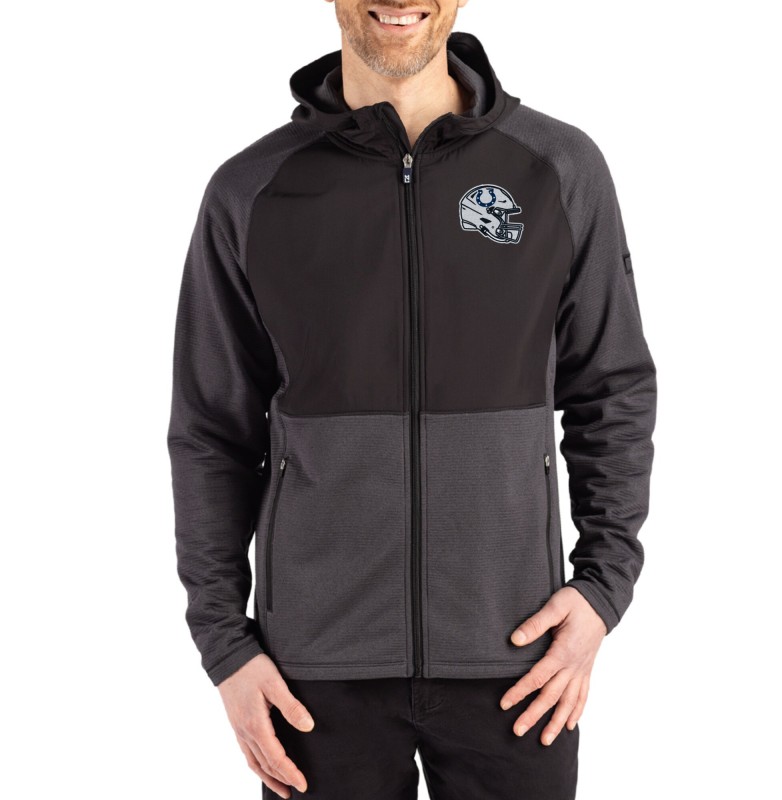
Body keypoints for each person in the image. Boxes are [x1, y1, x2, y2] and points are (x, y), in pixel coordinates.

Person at [166, 2, 657, 798]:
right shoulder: (251, 191)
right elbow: (211, 431)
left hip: (518, 658)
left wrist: (603, 588)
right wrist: (225, 646)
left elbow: (612, 387)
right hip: (313, 673)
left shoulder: (557, 168)